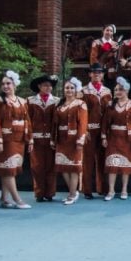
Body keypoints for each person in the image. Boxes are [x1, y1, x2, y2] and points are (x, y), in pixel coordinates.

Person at [0, 70, 32, 209]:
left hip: (19, 139)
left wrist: (30, 139)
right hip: (6, 140)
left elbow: (27, 121)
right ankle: (17, 199)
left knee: (13, 167)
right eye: (3, 84)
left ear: (15, 85)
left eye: (8, 83)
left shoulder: (22, 101)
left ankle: (4, 197)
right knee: (8, 168)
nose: (5, 86)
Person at [101, 77, 131, 201]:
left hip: (127, 138)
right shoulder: (110, 105)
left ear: (127, 91)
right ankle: (111, 190)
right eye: (116, 90)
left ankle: (124, 189)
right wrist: (104, 137)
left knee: (126, 166)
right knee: (111, 164)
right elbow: (104, 123)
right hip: (113, 137)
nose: (118, 92)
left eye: (121, 89)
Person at [52, 77, 88, 205]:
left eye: (72, 88)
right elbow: (54, 124)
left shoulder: (81, 104)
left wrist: (80, 140)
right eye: (67, 88)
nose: (69, 90)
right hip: (62, 140)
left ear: (76, 89)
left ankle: (72, 194)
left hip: (74, 139)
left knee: (74, 167)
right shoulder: (60, 105)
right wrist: (53, 139)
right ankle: (72, 192)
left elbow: (83, 123)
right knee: (63, 166)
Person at [81, 63, 112, 199]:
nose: (97, 75)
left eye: (99, 73)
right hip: (89, 130)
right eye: (94, 72)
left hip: (103, 131)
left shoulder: (108, 91)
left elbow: (109, 112)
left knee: (103, 159)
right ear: (90, 74)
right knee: (87, 161)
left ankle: (103, 188)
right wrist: (84, 129)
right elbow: (81, 113)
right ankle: (87, 190)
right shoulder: (83, 91)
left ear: (103, 75)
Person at [27, 74, 59, 202]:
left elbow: (57, 122)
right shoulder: (30, 101)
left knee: (51, 166)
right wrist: (29, 137)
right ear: (39, 86)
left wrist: (55, 137)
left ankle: (50, 192)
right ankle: (39, 192)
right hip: (36, 138)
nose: (48, 88)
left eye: (50, 85)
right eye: (45, 85)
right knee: (37, 166)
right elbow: (27, 120)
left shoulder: (56, 101)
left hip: (51, 138)